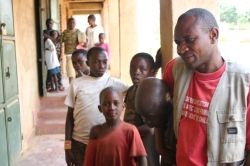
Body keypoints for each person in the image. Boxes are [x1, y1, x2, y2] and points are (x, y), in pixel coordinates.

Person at [162, 8, 250, 165]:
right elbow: (159, 111)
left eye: (189, 39)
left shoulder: (243, 83)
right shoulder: (175, 70)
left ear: (213, 35)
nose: (181, 49)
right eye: (178, 43)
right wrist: (161, 149)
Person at [64, 47, 129, 166]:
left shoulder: (114, 83)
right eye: (96, 62)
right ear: (88, 63)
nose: (101, 65)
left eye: (105, 62)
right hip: (79, 143)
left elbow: (136, 90)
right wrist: (67, 147)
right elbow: (69, 117)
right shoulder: (76, 84)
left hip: (105, 141)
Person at [83, 86, 147, 166]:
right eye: (106, 104)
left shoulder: (131, 130)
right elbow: (89, 161)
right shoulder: (96, 131)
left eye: (116, 103)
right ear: (100, 108)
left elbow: (141, 158)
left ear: (123, 106)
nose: (111, 108)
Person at [123, 53, 160, 166]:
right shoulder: (131, 90)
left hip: (146, 148)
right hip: (132, 145)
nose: (136, 72)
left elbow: (151, 129)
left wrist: (125, 132)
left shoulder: (150, 93)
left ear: (151, 72)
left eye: (142, 69)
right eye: (133, 68)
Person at [135, 77, 176, 166]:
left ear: (167, 106)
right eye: (142, 116)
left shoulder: (177, 121)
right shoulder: (160, 116)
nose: (146, 121)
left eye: (149, 117)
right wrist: (160, 148)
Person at [56, 18, 82, 83]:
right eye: (70, 22)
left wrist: (85, 42)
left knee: (78, 72)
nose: (72, 24)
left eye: (73, 22)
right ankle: (71, 89)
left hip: (77, 55)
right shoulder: (65, 32)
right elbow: (58, 41)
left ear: (75, 23)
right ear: (68, 23)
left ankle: (77, 88)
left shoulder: (78, 32)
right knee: (70, 74)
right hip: (69, 55)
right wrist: (48, 37)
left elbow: (84, 41)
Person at [43, 19, 64, 91]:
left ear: (53, 24)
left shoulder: (56, 31)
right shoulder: (44, 32)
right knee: (50, 71)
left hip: (57, 54)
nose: (49, 24)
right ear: (46, 23)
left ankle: (59, 85)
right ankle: (49, 85)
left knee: (58, 71)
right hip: (49, 55)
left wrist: (48, 37)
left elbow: (58, 42)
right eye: (48, 23)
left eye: (51, 23)